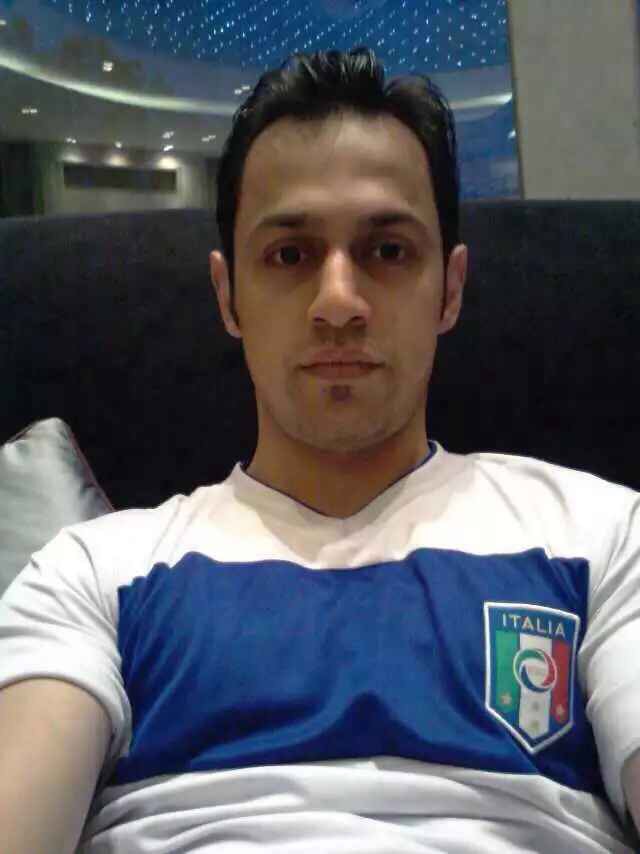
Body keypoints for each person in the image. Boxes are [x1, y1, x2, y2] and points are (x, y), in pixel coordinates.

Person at [1, 46, 639, 854]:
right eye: (291, 255)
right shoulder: (93, 574)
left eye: (388, 251)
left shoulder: (604, 537)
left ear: (450, 288)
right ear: (229, 295)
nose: (338, 302)